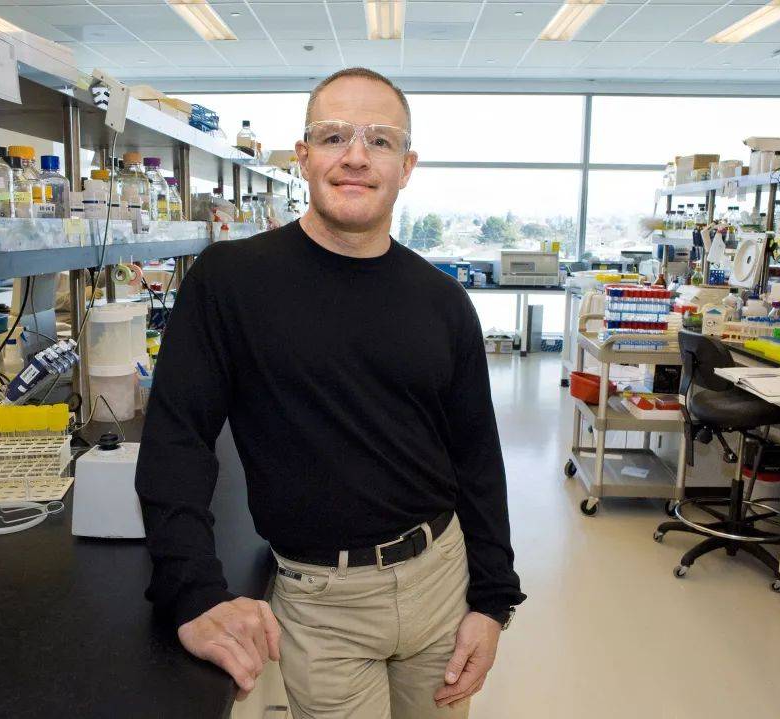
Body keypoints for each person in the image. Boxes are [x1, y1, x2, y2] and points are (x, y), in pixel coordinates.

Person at [136, 67, 525, 718]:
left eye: (380, 140)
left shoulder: (443, 301)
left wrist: (492, 600)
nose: (356, 156)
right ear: (304, 156)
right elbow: (177, 440)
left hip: (440, 579)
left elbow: (478, 460)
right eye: (334, 135)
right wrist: (191, 590)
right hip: (321, 605)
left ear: (406, 166)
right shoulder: (230, 282)